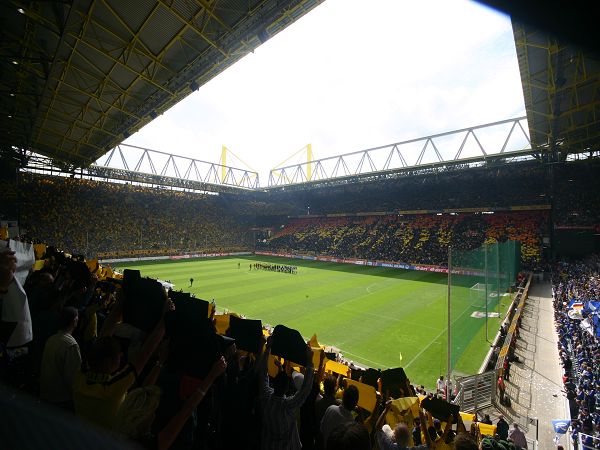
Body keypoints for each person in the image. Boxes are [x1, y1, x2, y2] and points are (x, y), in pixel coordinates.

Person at [259, 336, 314, 450]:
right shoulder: (288, 406)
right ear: (286, 388)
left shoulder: (266, 397)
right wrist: (310, 361)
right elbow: (305, 389)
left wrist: (268, 347)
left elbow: (263, 373)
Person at [39, 307, 81, 409]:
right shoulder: (71, 345)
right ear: (74, 321)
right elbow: (72, 377)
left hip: (45, 394)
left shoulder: (51, 339)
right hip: (61, 399)